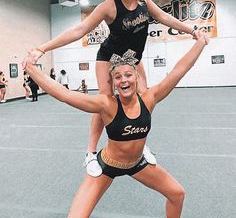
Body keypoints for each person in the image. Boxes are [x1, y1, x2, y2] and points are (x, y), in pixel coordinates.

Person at [22, 0, 200, 176]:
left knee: (144, 99)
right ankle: (90, 152)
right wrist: (42, 48)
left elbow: (163, 16)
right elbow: (80, 29)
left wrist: (191, 31)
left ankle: (140, 143)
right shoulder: (109, 5)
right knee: (104, 102)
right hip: (109, 57)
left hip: (133, 59)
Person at [25, 30, 209, 218]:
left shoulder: (149, 99)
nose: (124, 80)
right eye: (118, 77)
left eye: (128, 75)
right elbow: (65, 95)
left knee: (177, 194)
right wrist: (31, 69)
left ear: (136, 78)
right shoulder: (107, 105)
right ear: (113, 83)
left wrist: (200, 42)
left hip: (138, 163)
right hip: (108, 164)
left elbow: (180, 69)